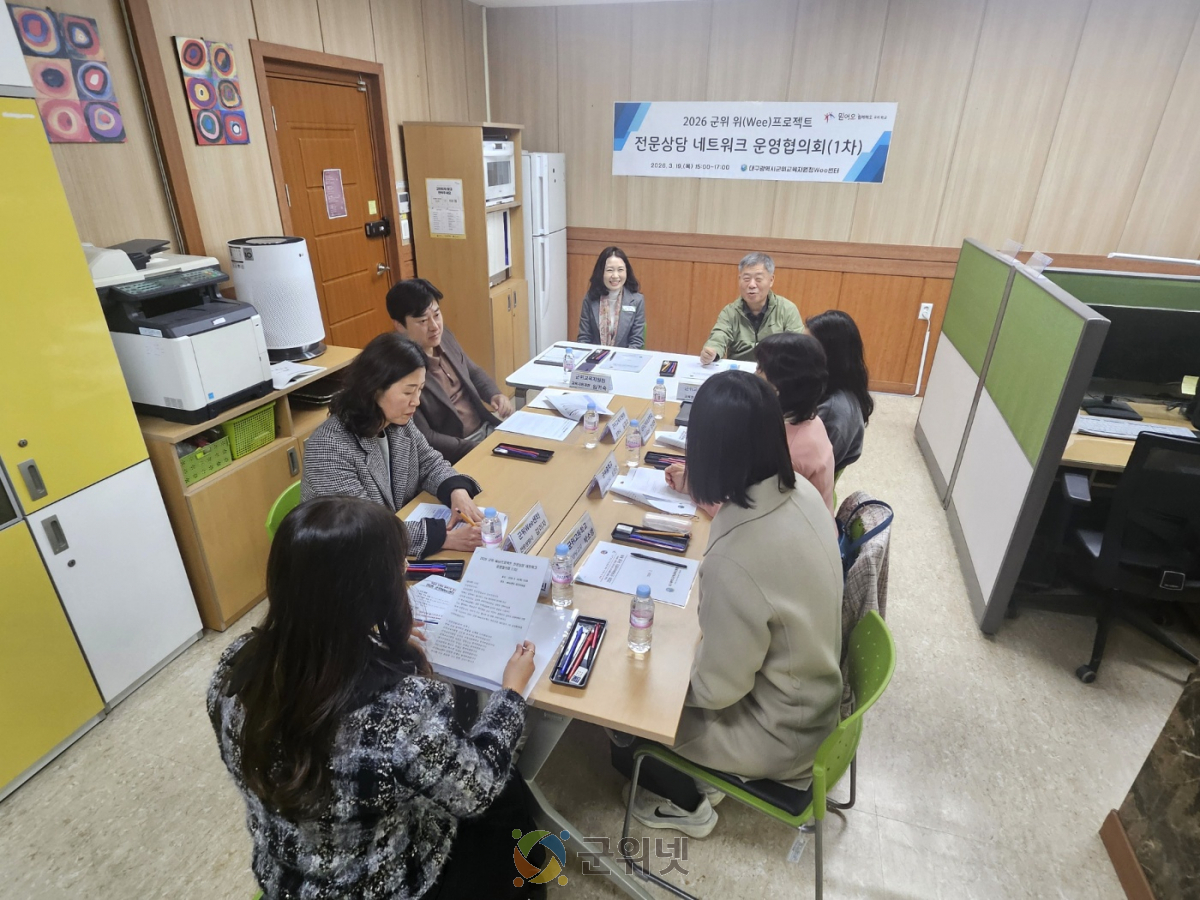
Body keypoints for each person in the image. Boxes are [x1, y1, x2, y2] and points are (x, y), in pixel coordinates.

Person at [208, 496, 543, 899]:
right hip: (383, 885)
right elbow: (477, 788)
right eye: (397, 566)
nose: (404, 570)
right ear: (369, 594)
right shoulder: (399, 713)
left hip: (285, 878)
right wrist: (510, 693)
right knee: (508, 796)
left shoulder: (231, 671)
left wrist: (366, 643)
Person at [613, 371, 843, 838]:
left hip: (779, 734)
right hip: (811, 698)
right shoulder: (798, 491)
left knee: (623, 716)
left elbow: (717, 690)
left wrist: (659, 675)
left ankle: (689, 802)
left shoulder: (738, 557)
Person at [302, 332, 484, 557]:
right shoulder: (329, 448)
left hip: (388, 546)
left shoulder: (396, 421)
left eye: (420, 390)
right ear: (375, 388)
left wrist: (456, 491)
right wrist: (444, 537)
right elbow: (362, 530)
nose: (416, 401)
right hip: (344, 562)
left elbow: (428, 462)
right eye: (408, 391)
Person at [387, 278, 515, 463]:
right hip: (454, 452)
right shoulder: (400, 370)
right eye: (423, 320)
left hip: (485, 429)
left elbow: (472, 371)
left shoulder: (443, 335)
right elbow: (426, 437)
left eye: (437, 315)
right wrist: (480, 449)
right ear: (399, 326)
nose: (434, 326)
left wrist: (495, 395)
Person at [754, 332, 837, 514]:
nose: (755, 374)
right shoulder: (808, 417)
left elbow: (752, 513)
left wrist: (698, 492)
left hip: (794, 536)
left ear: (779, 386)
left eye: (761, 368)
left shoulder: (788, 452)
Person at [699, 252, 803, 364]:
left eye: (758, 279)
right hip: (740, 374)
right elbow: (719, 336)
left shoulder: (787, 309)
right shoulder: (730, 312)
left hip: (774, 372)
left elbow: (798, 346)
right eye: (746, 279)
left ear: (771, 280)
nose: (752, 285)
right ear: (739, 279)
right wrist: (712, 351)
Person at [806, 309, 874, 471]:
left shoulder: (833, 411)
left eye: (808, 347)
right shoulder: (829, 382)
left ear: (830, 355)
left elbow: (807, 469)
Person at [577, 246, 646, 348]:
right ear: (601, 272)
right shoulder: (590, 299)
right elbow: (584, 338)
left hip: (625, 359)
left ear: (626, 271)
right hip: (595, 359)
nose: (615, 275)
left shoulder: (636, 300)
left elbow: (636, 341)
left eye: (620, 270)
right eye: (610, 270)